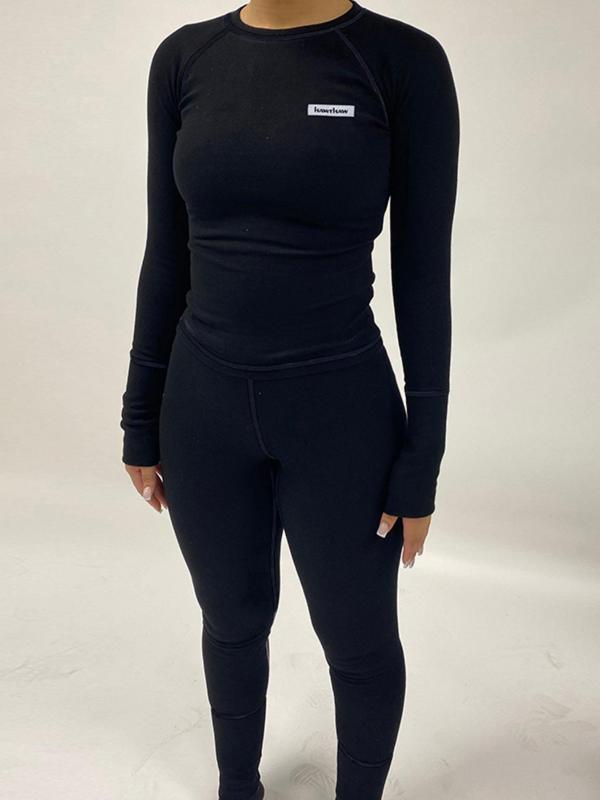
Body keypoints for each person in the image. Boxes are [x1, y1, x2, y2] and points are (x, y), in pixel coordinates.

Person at [120, 1, 460, 798]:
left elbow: (422, 275)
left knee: (358, 642)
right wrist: (140, 413)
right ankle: (236, 787)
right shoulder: (184, 59)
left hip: (341, 416)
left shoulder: (400, 62)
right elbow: (166, 251)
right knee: (231, 622)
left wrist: (424, 459)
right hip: (202, 409)